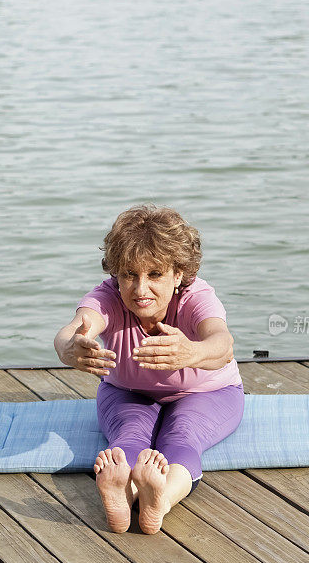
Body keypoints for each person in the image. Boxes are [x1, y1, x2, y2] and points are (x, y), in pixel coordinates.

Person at [54, 204, 244, 534]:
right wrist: (70, 349)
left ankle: (160, 499)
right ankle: (122, 494)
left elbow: (223, 344)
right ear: (117, 274)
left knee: (182, 435)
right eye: (130, 275)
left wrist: (191, 352)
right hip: (127, 392)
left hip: (208, 393)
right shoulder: (108, 296)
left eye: (154, 275)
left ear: (179, 273)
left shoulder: (197, 298)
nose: (140, 290)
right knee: (128, 437)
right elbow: (73, 330)